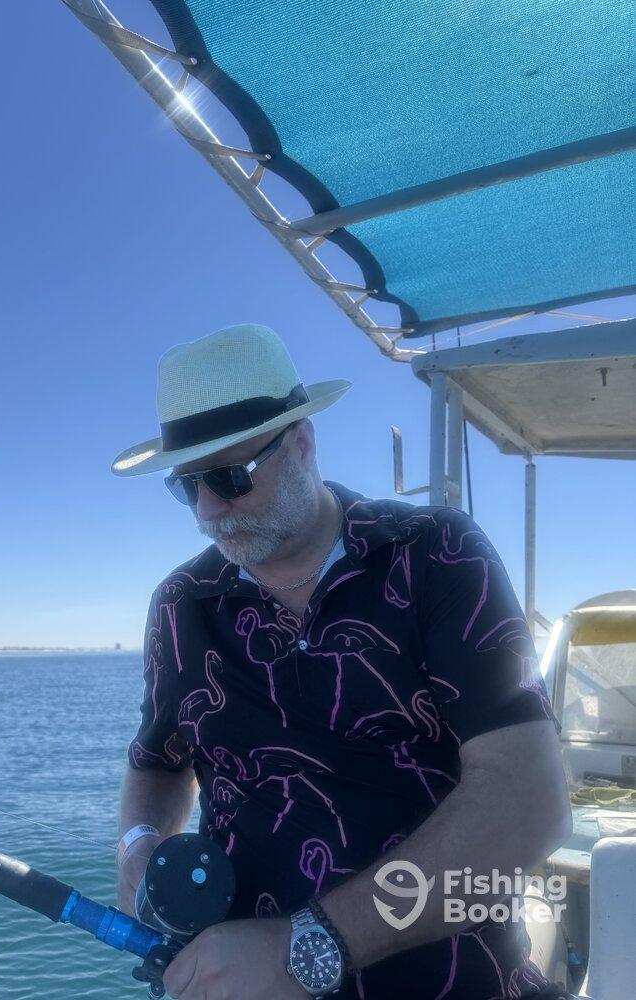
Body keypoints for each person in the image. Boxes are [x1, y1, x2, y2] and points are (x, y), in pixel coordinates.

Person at [112, 324, 574, 1000]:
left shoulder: (435, 556)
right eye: (188, 486)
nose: (210, 510)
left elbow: (529, 804)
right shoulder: (182, 606)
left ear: (300, 442)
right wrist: (140, 841)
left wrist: (307, 948)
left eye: (230, 477)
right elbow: (158, 761)